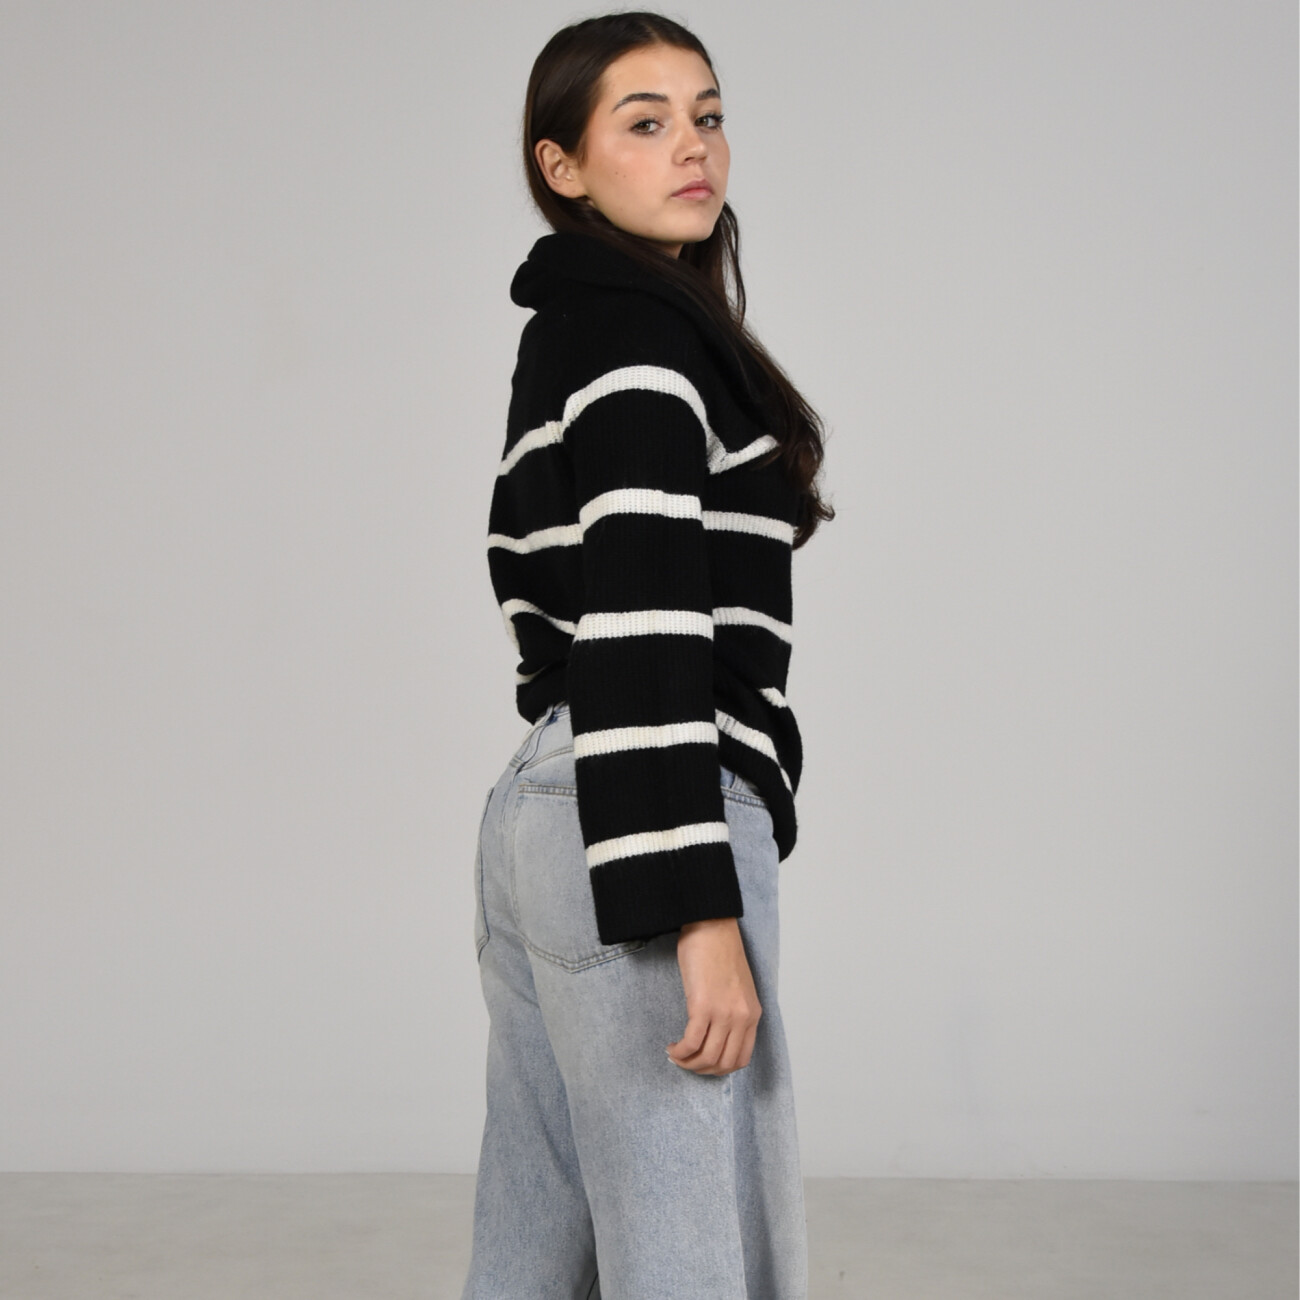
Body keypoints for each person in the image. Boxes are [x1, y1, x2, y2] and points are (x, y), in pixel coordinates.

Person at [461, 13, 833, 1299]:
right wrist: (697, 907)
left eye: (708, 115)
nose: (693, 146)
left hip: (552, 806)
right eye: (646, 120)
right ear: (561, 165)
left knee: (536, 1247)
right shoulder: (638, 337)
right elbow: (644, 616)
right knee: (691, 1257)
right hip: (650, 811)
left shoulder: (578, 325)